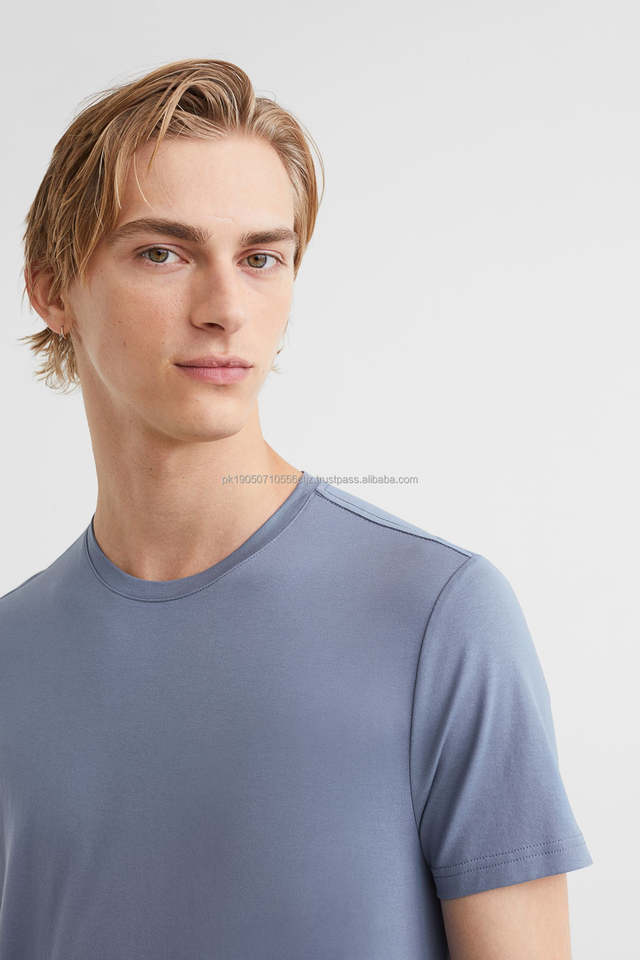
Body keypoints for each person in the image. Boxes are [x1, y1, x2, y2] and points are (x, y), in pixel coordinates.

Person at [1, 58, 592, 959]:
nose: (225, 308)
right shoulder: (13, 655)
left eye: (260, 258)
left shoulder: (437, 617)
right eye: (162, 252)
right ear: (51, 290)